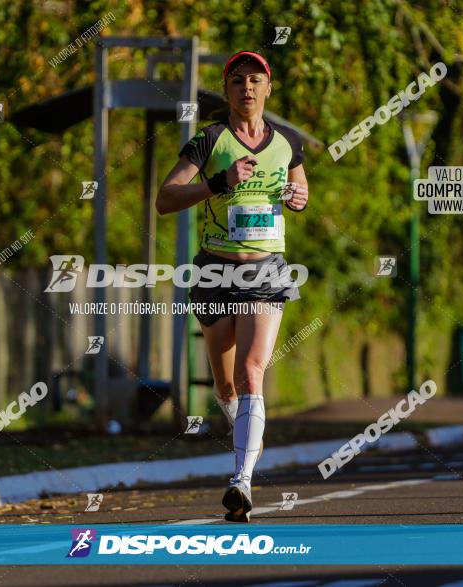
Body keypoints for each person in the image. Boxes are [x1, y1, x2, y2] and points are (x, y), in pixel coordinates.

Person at [156, 50, 308, 522]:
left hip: (265, 270)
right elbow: (165, 199)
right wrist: (217, 182)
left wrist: (298, 198)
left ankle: (241, 481)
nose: (247, 87)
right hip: (214, 271)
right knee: (226, 386)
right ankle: (248, 439)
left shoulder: (288, 144)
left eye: (255, 80)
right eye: (238, 80)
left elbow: (300, 193)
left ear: (268, 88)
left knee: (251, 371)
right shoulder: (209, 141)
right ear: (226, 91)